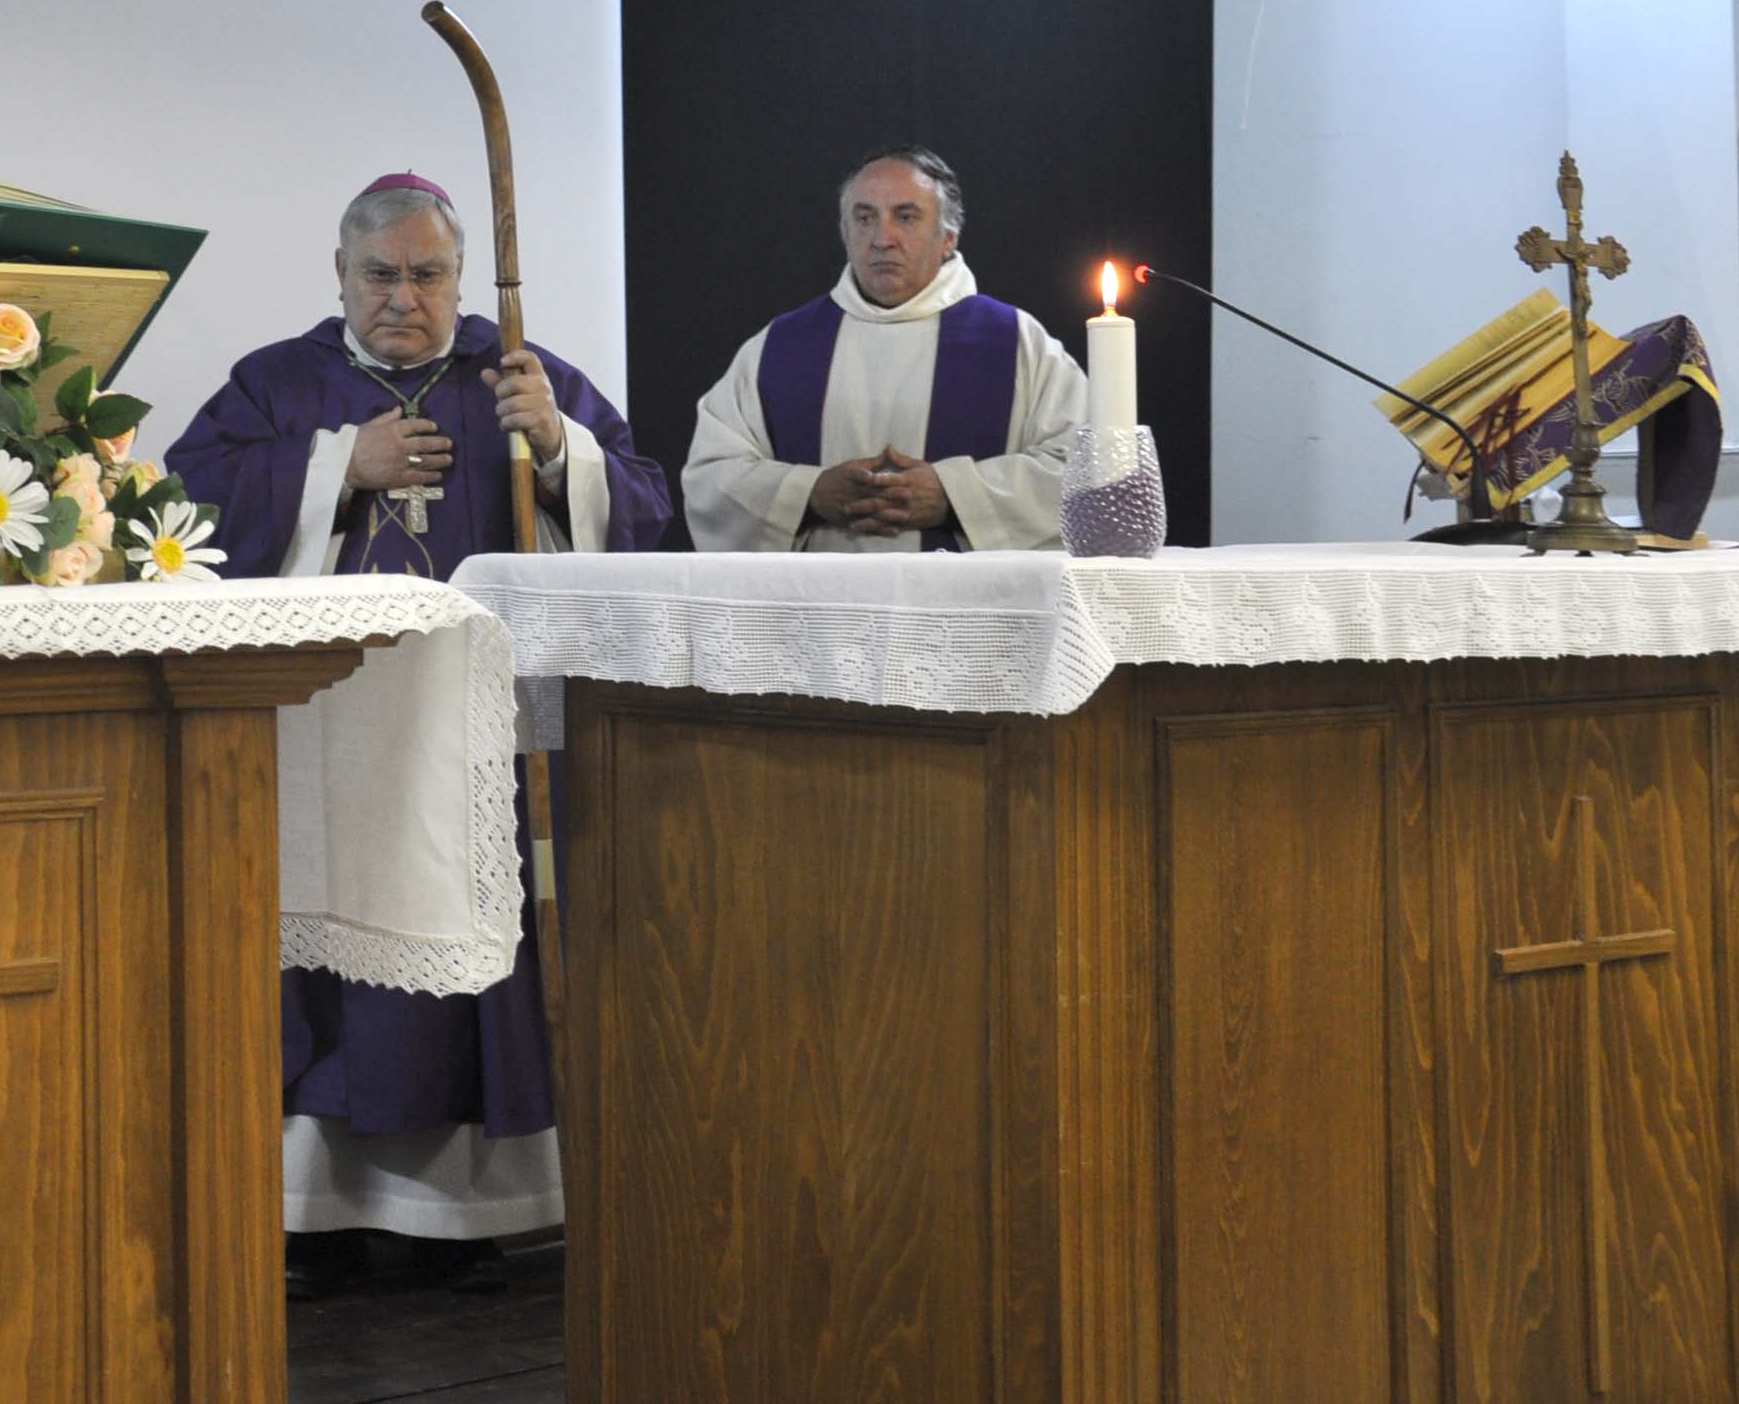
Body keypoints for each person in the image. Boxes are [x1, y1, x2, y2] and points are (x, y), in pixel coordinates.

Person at [167, 174, 671, 1298]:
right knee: (319, 953)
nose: (403, 298)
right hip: (320, 736)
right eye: (380, 275)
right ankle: (313, 1211)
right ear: (339, 275)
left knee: (466, 954)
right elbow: (184, 509)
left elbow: (647, 507)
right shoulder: (278, 382)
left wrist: (561, 449)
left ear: (460, 277)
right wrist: (337, 467)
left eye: (428, 275)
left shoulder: (519, 375)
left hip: (473, 737)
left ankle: (463, 1210)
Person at [684, 144, 1086, 552]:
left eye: (905, 217)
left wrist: (954, 496)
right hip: (823, 592)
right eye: (864, 218)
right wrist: (810, 494)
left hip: (965, 591)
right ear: (845, 234)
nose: (882, 239)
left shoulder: (1018, 343)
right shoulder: (780, 347)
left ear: (948, 238)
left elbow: (1084, 468)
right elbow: (712, 476)